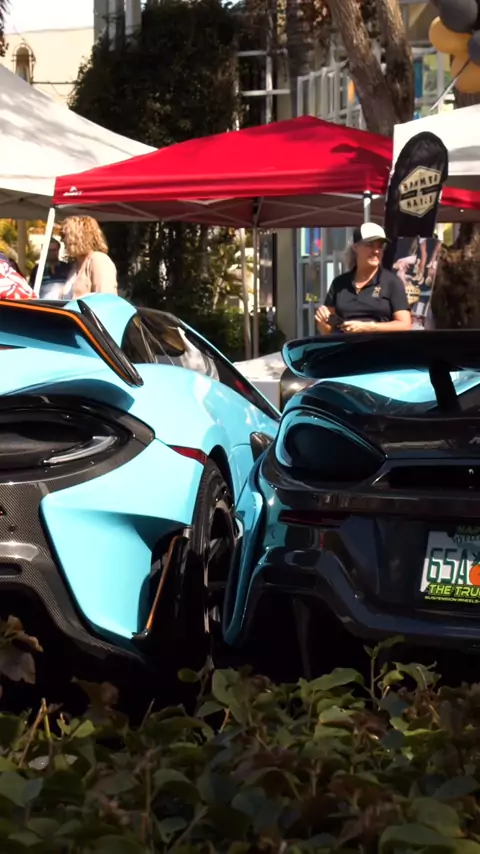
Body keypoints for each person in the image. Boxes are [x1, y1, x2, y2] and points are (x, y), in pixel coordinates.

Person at [315, 223, 411, 334]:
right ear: (355, 247)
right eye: (370, 245)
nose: (376, 251)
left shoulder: (391, 282)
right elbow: (328, 331)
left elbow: (405, 325)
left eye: (380, 246)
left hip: (380, 344)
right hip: (345, 344)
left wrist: (368, 327)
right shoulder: (339, 283)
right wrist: (322, 321)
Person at [60, 216, 118, 299]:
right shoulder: (75, 266)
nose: (62, 240)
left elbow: (105, 298)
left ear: (78, 237)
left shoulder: (99, 260)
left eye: (64, 236)